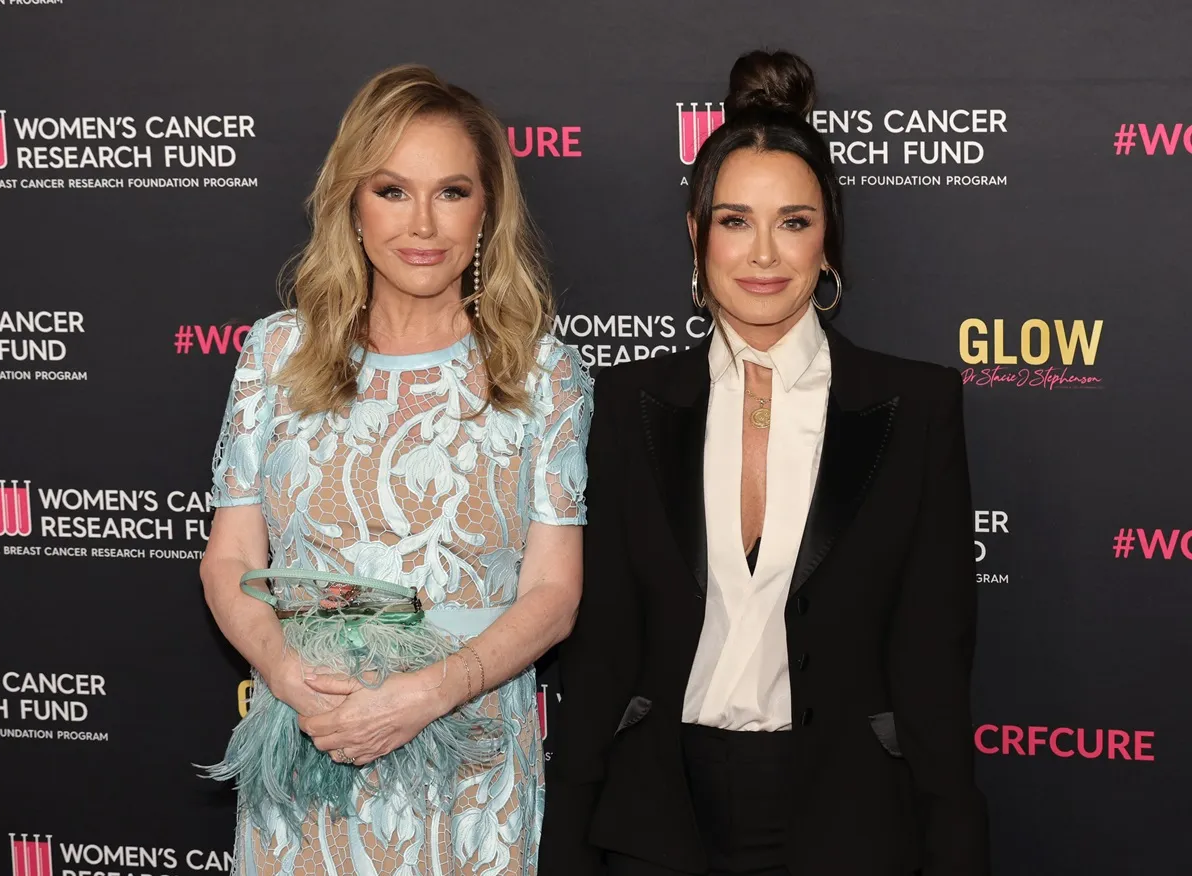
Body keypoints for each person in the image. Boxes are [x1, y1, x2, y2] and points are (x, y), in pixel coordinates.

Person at [541, 49, 989, 876]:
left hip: (851, 819)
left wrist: (955, 849)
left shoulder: (916, 406)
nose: (763, 254)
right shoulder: (624, 402)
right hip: (656, 817)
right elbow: (600, 650)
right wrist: (565, 847)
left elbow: (934, 660)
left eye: (794, 221)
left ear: (828, 243)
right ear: (696, 235)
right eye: (735, 220)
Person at [201, 64, 591, 875]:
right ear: (352, 201)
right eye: (391, 190)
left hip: (469, 770)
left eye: (451, 192)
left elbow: (552, 596)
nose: (423, 224)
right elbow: (231, 560)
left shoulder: (541, 372)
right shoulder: (277, 354)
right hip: (309, 747)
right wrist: (283, 673)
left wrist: (429, 693)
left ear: (488, 209)